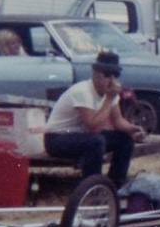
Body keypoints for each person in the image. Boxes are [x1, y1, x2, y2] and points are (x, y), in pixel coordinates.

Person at [44, 50, 145, 189]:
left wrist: (133, 129)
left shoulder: (111, 93)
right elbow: (92, 126)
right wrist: (109, 98)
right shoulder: (83, 91)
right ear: (95, 74)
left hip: (81, 135)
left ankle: (116, 183)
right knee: (96, 141)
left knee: (124, 139)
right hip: (57, 138)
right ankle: (92, 186)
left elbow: (118, 121)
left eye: (115, 75)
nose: (111, 80)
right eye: (107, 75)